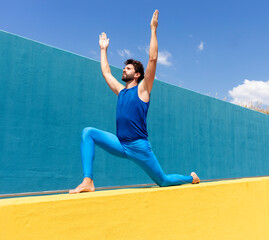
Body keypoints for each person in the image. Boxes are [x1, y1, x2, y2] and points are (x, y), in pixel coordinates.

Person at [69, 10, 200, 194]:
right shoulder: (121, 91)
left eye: (127, 68)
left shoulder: (143, 89)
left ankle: (191, 178)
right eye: (124, 67)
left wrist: (153, 29)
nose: (123, 70)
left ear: (136, 74)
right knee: (88, 133)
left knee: (163, 181)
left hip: (139, 146)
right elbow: (106, 72)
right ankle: (88, 181)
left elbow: (153, 59)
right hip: (121, 144)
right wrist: (103, 50)